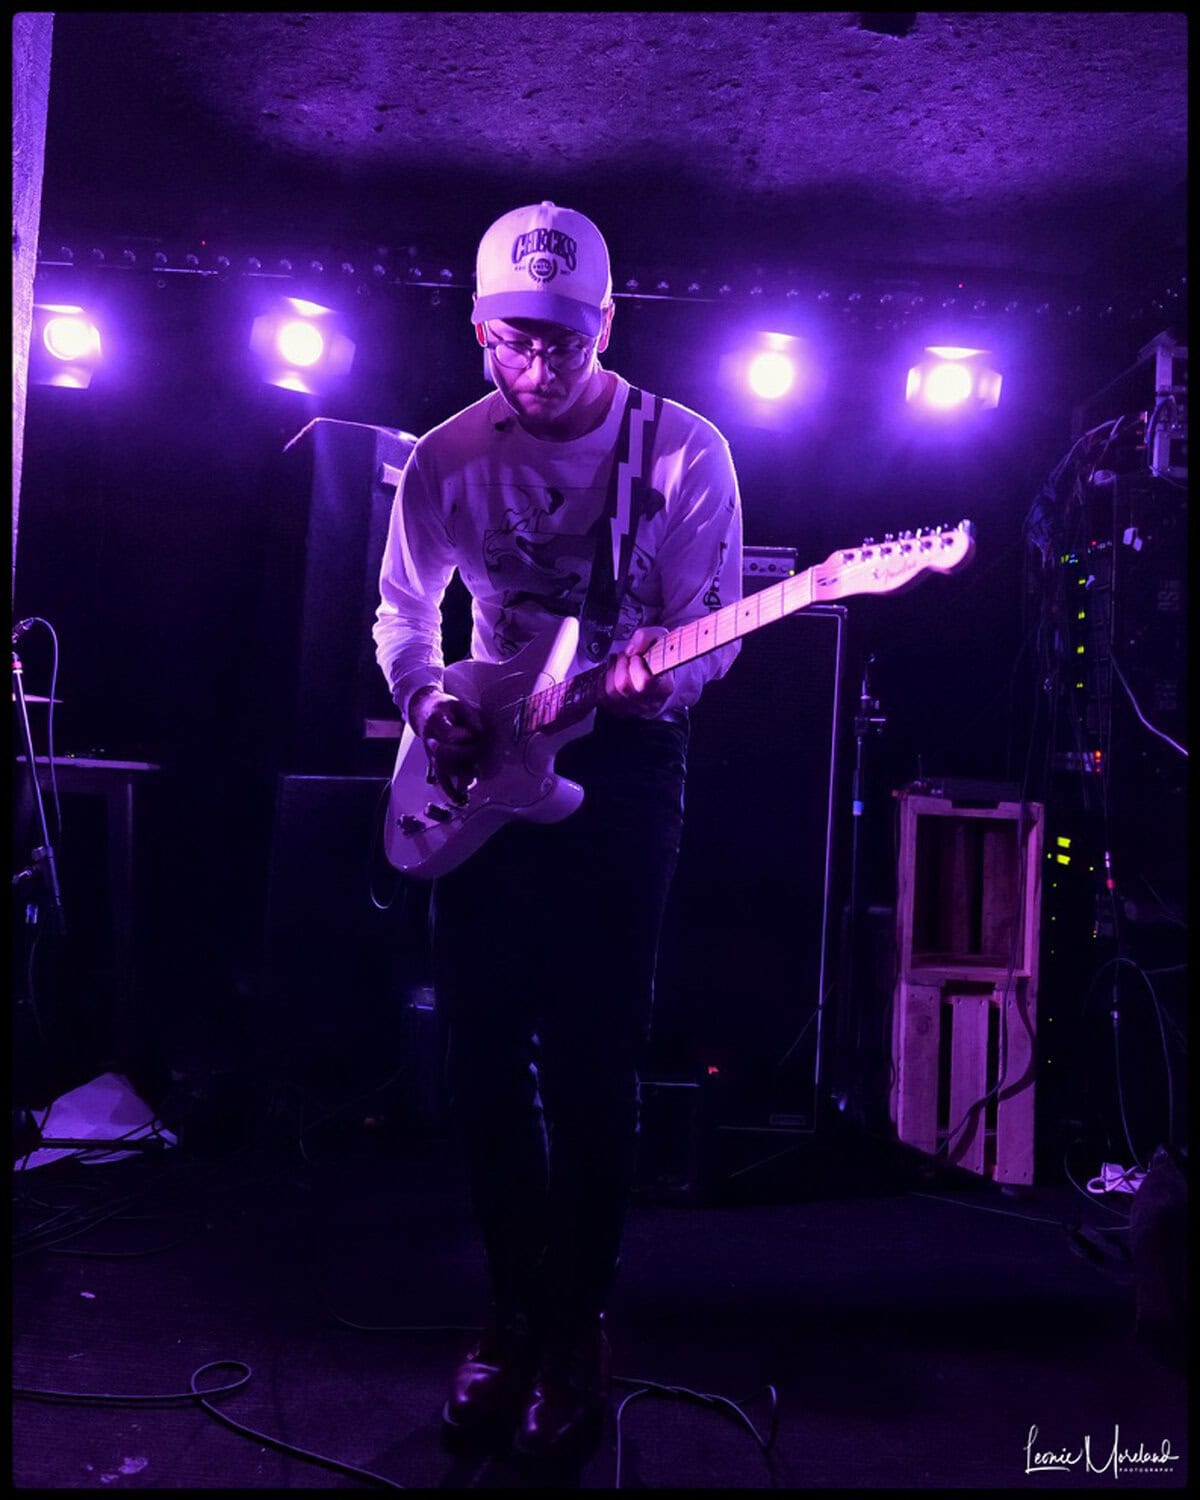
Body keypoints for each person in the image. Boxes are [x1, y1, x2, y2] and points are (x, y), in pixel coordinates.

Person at [373, 200, 743, 1460]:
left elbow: (711, 632)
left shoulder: (683, 452)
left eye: (566, 342)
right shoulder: (445, 459)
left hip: (622, 763)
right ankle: (511, 1315)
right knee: (480, 1056)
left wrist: (659, 678)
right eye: (517, 340)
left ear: (609, 326)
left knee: (593, 1057)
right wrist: (430, 702)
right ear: (478, 328)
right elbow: (404, 613)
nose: (539, 367)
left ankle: (576, 1324)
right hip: (486, 755)